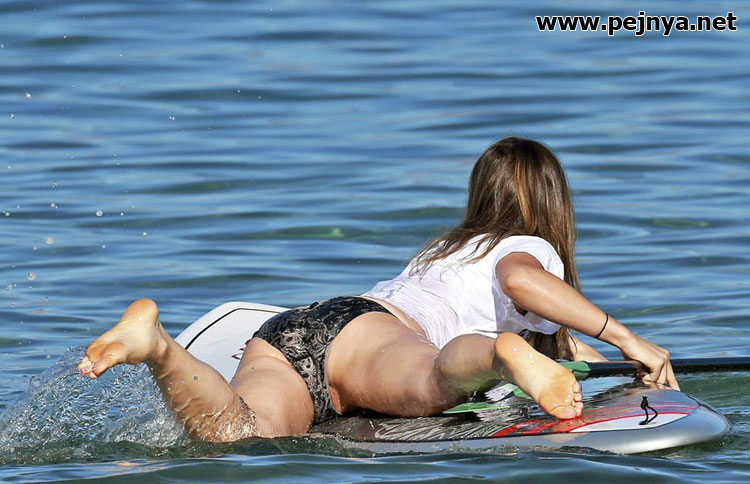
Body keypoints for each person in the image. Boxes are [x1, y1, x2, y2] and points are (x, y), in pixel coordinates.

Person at [78, 137, 677, 442]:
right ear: (553, 205)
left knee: (239, 433)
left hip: (299, 328)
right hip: (375, 341)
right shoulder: (526, 247)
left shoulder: (448, 250)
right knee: (440, 379)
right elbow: (521, 281)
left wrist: (626, 380)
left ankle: (159, 348)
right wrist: (632, 342)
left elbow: (564, 351)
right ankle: (498, 358)